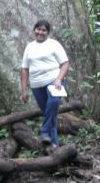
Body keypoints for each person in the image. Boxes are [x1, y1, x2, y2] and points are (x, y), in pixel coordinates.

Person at [20, 20, 69, 148]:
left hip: (54, 81)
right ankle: (55, 146)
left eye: (43, 30)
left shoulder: (54, 45)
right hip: (37, 85)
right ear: (34, 30)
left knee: (54, 102)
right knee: (50, 114)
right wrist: (24, 90)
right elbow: (25, 69)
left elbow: (65, 63)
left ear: (48, 33)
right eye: (38, 29)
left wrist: (59, 79)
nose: (40, 32)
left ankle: (44, 131)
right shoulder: (29, 47)